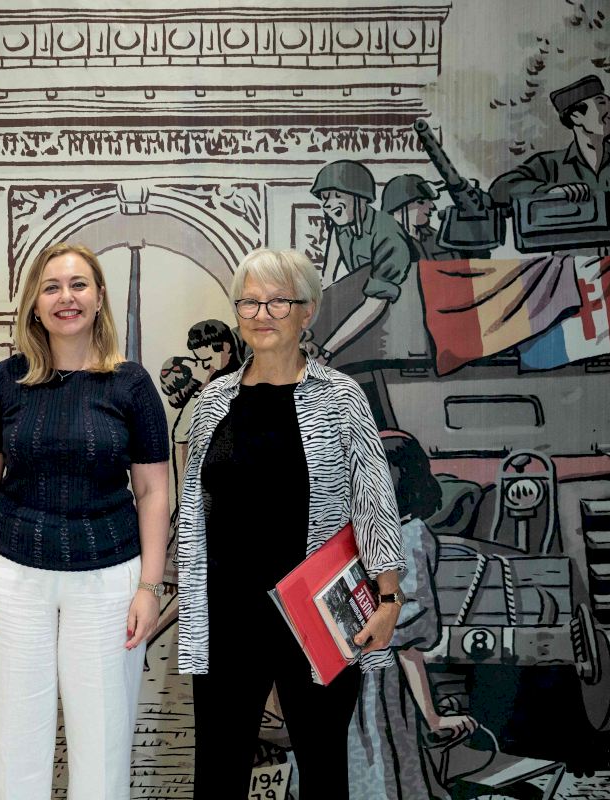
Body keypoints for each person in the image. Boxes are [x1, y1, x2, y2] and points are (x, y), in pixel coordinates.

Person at [177, 248, 407, 799]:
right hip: (228, 614)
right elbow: (193, 507)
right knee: (217, 771)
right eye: (250, 302)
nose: (262, 314)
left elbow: (374, 498)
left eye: (278, 301)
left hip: (317, 611)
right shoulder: (213, 402)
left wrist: (389, 599)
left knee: (323, 768)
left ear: (308, 311)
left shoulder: (340, 397)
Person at [0, 242, 170, 800]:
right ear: (34, 304)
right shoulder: (6, 381)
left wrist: (150, 587)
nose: (66, 298)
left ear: (99, 297)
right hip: (13, 580)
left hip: (109, 582)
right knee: (14, 746)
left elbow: (153, 492)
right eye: (51, 287)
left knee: (102, 748)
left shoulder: (131, 384)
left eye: (78, 285)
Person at [349, 430, 479, 800]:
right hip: (366, 680)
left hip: (371, 684)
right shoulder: (395, 533)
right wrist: (432, 717)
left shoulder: (404, 537)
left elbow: (406, 640)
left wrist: (432, 716)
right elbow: (409, 641)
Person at [489, 74, 610, 256]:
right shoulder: (550, 164)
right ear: (576, 116)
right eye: (602, 103)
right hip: (568, 267)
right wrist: (549, 192)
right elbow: (499, 190)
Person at [310, 160, 418, 365]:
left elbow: (376, 302)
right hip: (364, 312)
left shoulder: (387, 233)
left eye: (337, 195)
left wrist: (326, 352)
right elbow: (328, 279)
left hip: (397, 321)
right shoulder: (342, 227)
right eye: (325, 197)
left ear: (359, 197)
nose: (328, 204)